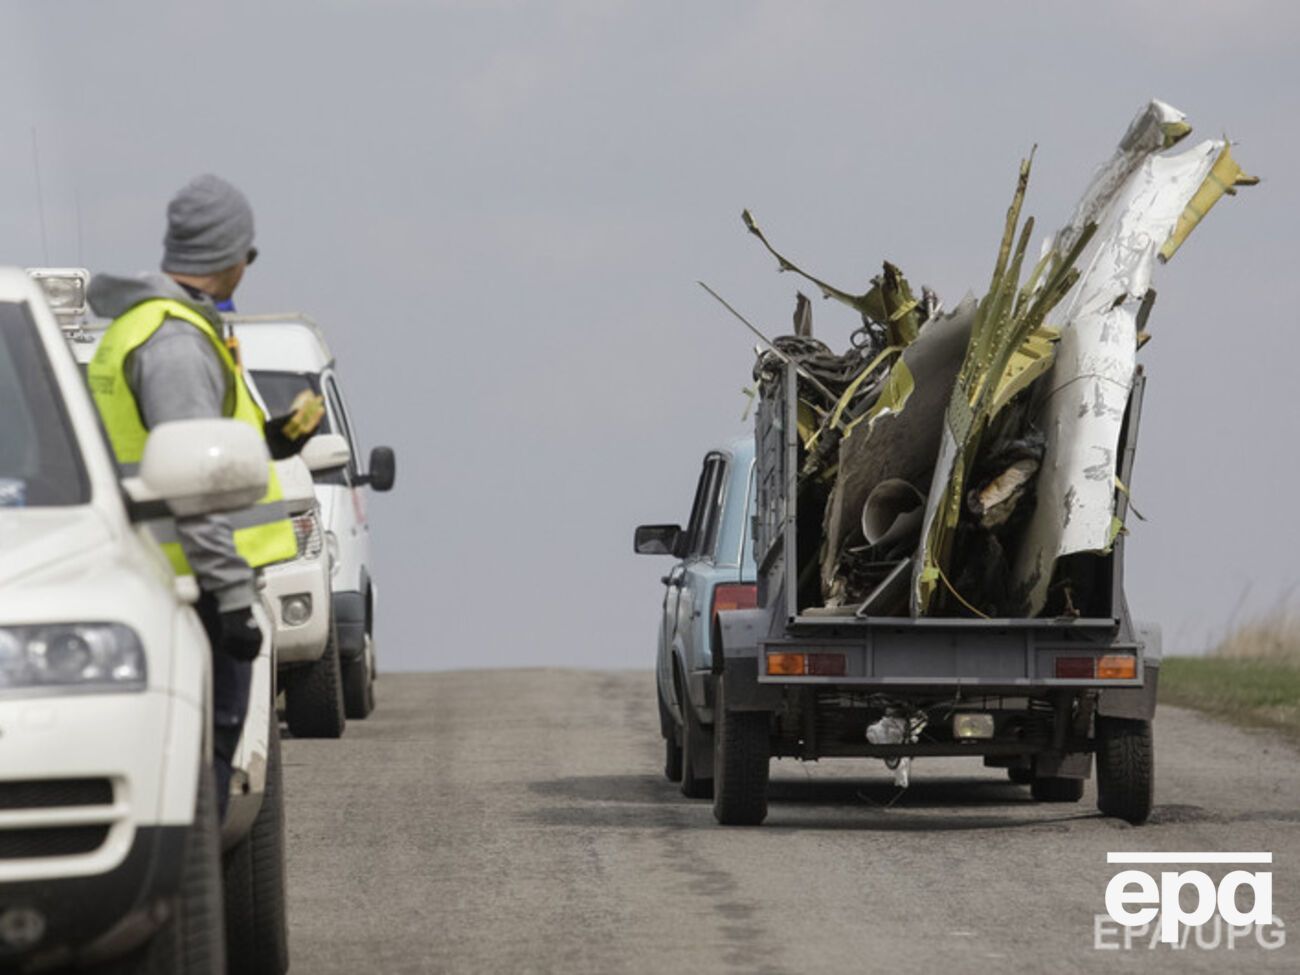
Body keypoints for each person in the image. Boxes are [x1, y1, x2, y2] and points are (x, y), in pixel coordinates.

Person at [86, 174, 323, 816]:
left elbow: (200, 446)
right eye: (249, 254)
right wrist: (230, 599)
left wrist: (274, 439)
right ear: (229, 257)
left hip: (165, 577)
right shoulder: (176, 342)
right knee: (209, 772)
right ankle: (195, 913)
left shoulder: (157, 326)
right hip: (190, 589)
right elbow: (192, 484)